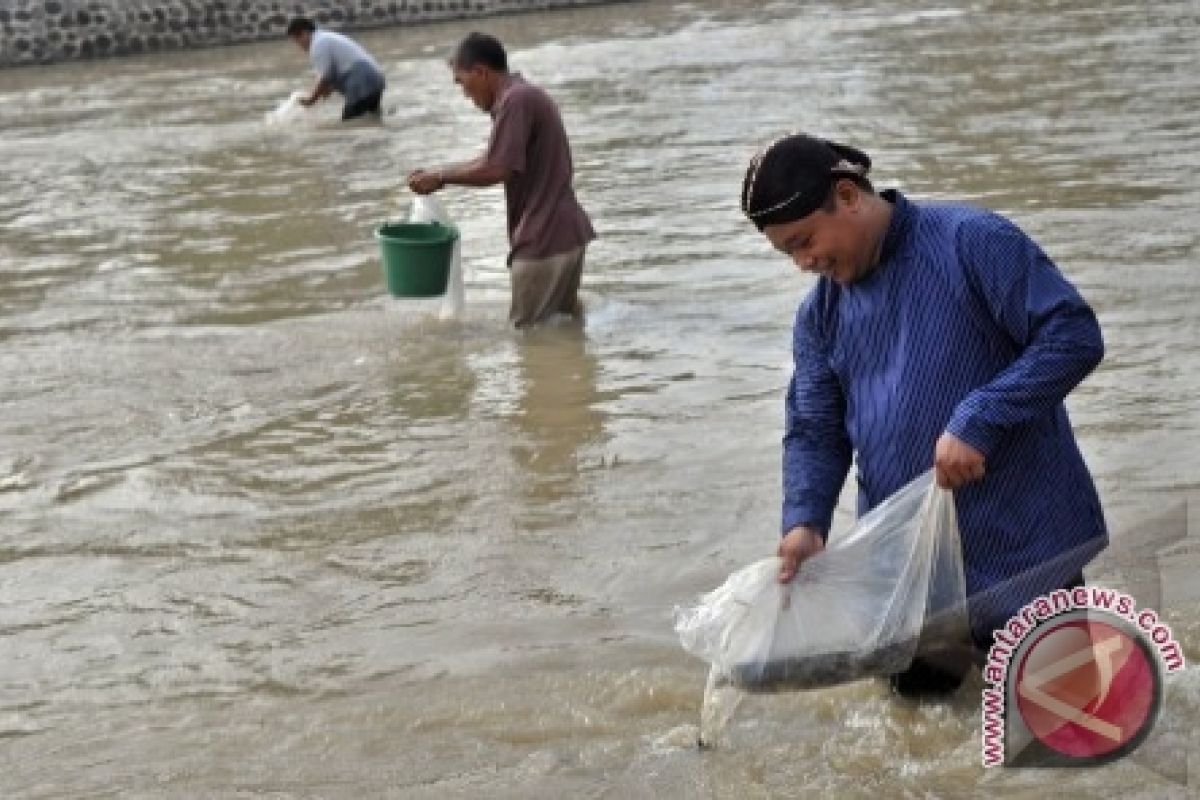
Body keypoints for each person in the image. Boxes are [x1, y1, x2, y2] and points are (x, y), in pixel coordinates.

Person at [740, 133, 1108, 699]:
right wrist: (805, 522)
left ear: (849, 195)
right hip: (910, 576)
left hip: (1024, 549)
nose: (803, 262)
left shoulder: (972, 242)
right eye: (787, 252)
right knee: (921, 749)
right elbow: (815, 428)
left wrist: (980, 416)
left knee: (1063, 741)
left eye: (804, 240)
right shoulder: (820, 316)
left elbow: (1072, 335)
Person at [407, 32, 595, 328]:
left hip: (542, 240)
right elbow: (490, 159)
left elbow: (497, 168)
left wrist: (441, 176)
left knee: (528, 341)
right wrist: (438, 174)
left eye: (462, 82)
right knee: (564, 330)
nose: (465, 94)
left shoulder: (516, 100)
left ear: (480, 72)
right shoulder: (522, 96)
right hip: (565, 235)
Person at [286, 17, 386, 121]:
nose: (299, 46)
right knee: (371, 120)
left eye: (297, 40)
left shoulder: (318, 45)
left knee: (349, 125)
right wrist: (322, 92)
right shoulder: (324, 37)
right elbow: (332, 76)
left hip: (361, 81)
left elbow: (325, 77)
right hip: (373, 78)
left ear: (304, 33)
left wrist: (311, 100)